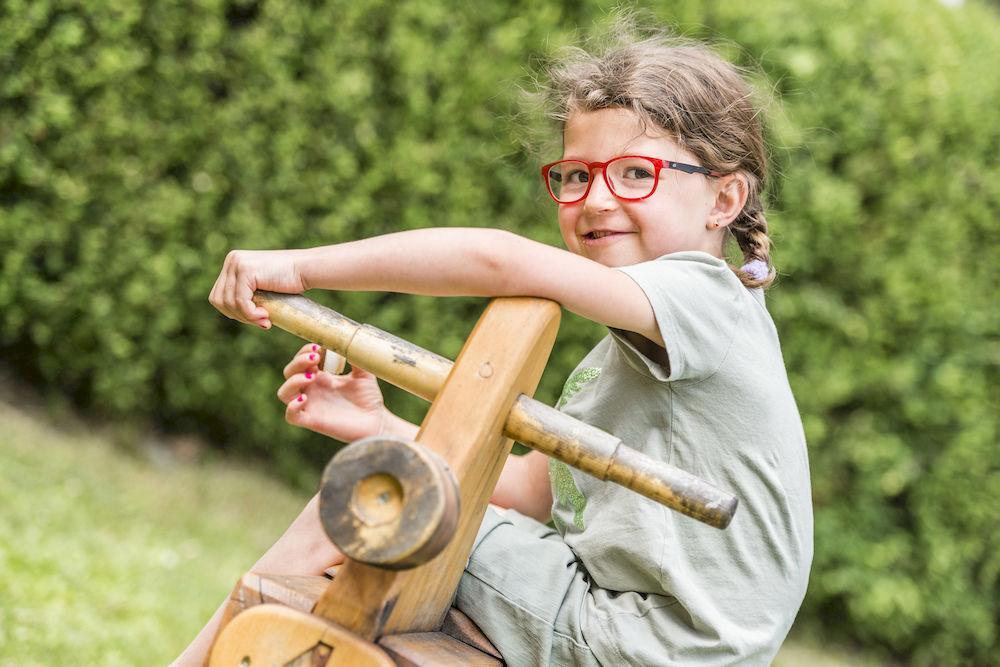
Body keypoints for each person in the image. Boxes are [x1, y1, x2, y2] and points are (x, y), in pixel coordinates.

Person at [174, 20, 812, 667]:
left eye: (633, 173)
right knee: (390, 495)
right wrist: (379, 425)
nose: (595, 199)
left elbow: (497, 259)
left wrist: (303, 267)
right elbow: (535, 491)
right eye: (575, 175)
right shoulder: (638, 352)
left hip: (645, 636)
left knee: (367, 497)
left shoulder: (703, 295)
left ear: (725, 197)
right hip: (641, 626)